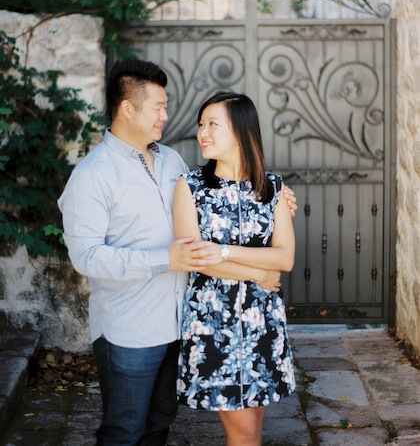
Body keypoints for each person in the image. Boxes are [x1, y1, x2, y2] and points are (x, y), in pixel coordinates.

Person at [58, 59, 297, 446]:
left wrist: (277, 200)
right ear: (128, 108)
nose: (167, 116)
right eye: (159, 107)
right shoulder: (92, 175)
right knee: (123, 429)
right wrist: (166, 259)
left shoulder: (171, 161)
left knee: (158, 425)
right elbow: (86, 257)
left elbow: (215, 207)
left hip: (177, 325)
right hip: (129, 329)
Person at [173, 92, 296, 446]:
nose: (202, 133)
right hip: (214, 325)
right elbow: (198, 258)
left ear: (241, 131)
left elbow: (285, 258)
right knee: (243, 435)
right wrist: (257, 271)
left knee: (251, 430)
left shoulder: (272, 188)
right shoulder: (190, 187)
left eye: (213, 124)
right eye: (200, 124)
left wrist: (223, 251)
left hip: (263, 324)